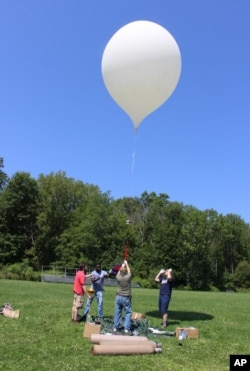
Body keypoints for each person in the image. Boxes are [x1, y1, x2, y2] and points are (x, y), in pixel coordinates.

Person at [113, 260, 132, 333]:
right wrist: (127, 264)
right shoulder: (127, 277)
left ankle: (115, 327)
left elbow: (118, 272)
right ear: (125, 272)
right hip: (126, 297)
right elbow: (129, 271)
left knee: (117, 312)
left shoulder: (118, 277)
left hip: (118, 297)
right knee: (127, 312)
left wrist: (122, 265)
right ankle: (126, 328)